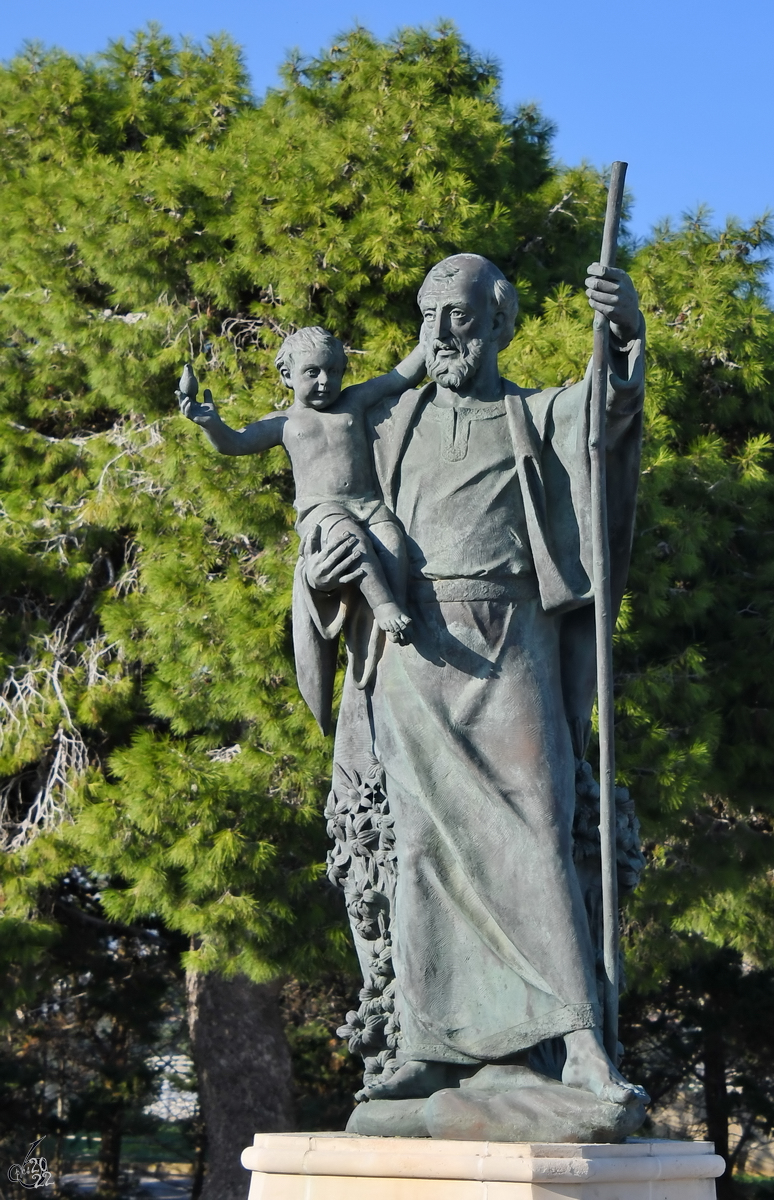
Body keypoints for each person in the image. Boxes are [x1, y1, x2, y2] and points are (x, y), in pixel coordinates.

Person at [296, 254, 648, 1108]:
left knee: (536, 825)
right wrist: (322, 563)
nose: (442, 332)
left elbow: (610, 408)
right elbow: (324, 507)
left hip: (509, 640)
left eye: (458, 314)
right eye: (430, 315)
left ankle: (579, 1043)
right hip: (411, 652)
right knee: (420, 847)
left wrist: (626, 328)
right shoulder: (389, 424)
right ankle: (430, 1044)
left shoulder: (538, 414)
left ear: (498, 321)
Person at [177, 328, 426, 664]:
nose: (325, 380)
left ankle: (395, 617)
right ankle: (384, 608)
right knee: (349, 544)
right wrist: (211, 425)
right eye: (312, 372)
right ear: (287, 376)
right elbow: (236, 444)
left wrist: (429, 339)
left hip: (366, 503)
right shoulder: (284, 422)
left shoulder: (354, 401)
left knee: (392, 539)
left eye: (333, 371)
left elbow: (399, 377)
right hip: (321, 512)